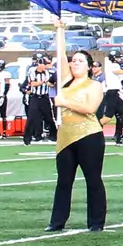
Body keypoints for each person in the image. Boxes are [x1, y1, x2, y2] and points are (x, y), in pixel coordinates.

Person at [47, 31, 107, 233]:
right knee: (63, 181)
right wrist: (60, 30)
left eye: (80, 61)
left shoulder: (95, 85)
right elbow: (60, 53)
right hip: (65, 137)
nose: (75, 64)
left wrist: (64, 102)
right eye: (74, 61)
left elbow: (90, 108)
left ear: (89, 66)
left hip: (89, 135)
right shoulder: (65, 80)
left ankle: (96, 222)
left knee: (93, 179)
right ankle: (57, 221)